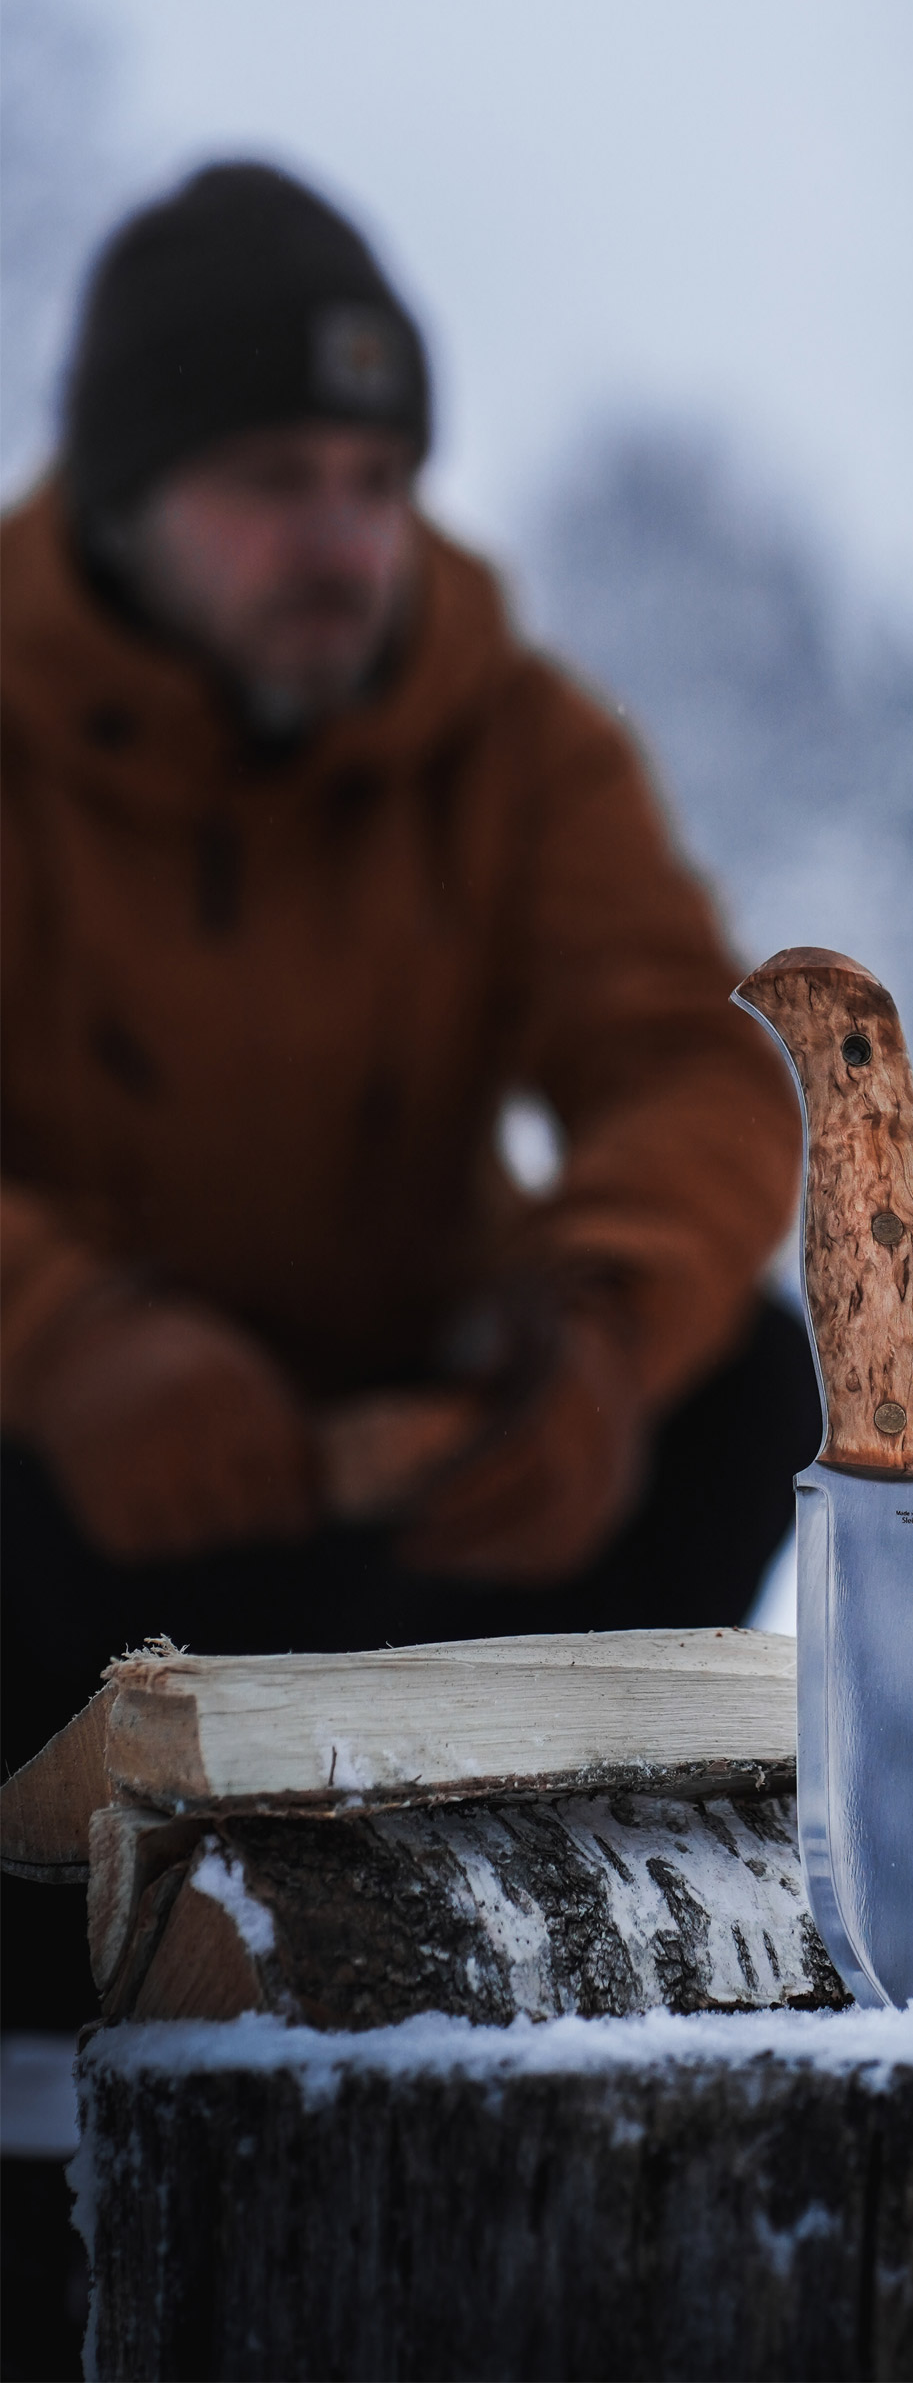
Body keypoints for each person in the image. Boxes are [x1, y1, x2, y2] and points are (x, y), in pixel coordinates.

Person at [1, 163, 820, 2028]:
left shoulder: (512, 740)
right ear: (125, 501)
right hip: (66, 1521)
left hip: (420, 1517)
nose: (344, 539)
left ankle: (499, 1902)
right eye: (273, 481)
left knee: (737, 1381)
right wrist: (63, 1339)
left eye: (376, 483)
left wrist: (602, 1320)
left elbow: (684, 1062)